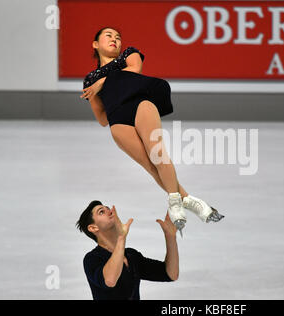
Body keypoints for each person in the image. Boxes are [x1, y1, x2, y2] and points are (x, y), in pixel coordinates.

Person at [80, 26, 224, 236]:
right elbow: (102, 119)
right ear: (95, 44)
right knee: (149, 166)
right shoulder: (89, 80)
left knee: (157, 155)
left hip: (140, 105)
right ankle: (190, 201)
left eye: (118, 37)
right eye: (108, 36)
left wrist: (102, 83)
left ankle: (176, 204)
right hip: (118, 119)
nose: (115, 40)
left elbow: (134, 70)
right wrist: (94, 93)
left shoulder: (129, 54)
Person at [76, 200, 179, 300]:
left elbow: (171, 274)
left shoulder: (132, 256)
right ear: (93, 228)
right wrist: (121, 238)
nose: (109, 211)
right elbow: (110, 280)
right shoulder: (92, 259)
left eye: (108, 208)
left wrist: (170, 236)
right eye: (101, 212)